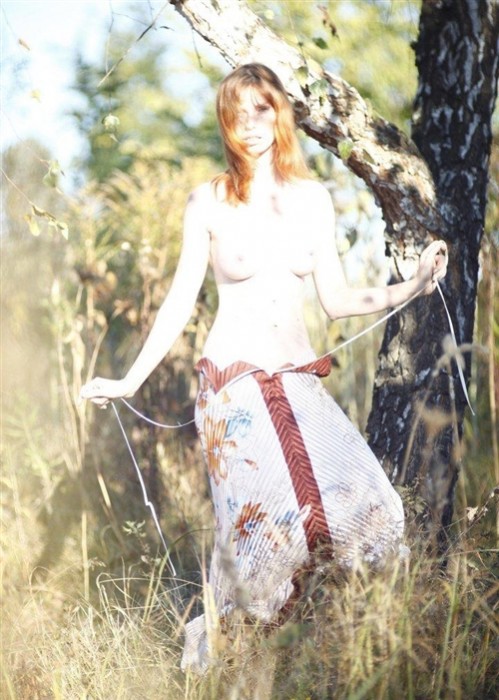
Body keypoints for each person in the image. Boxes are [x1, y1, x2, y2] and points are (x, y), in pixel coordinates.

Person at [80, 63, 448, 672]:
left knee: (374, 509)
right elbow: (179, 301)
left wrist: (413, 285)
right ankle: (218, 663)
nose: (250, 124)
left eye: (261, 109)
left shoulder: (313, 200)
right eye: (237, 113)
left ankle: (326, 654)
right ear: (224, 123)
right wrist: (129, 381)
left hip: (298, 385)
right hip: (234, 392)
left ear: (281, 113)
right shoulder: (209, 201)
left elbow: (337, 300)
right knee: (260, 538)